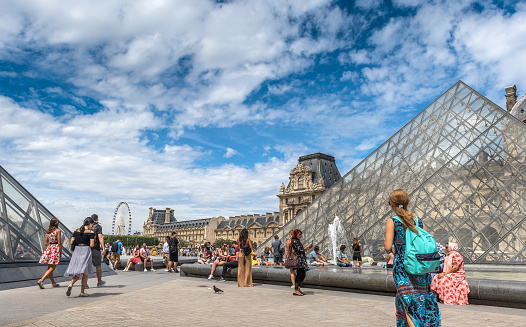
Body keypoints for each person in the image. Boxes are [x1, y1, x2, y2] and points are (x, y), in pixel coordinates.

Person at [384, 189, 441, 326]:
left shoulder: (393, 221)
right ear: (406, 202)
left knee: (406, 299)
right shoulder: (419, 221)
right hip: (420, 265)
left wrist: (395, 250)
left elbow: (387, 247)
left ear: (392, 204)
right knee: (421, 298)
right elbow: (425, 244)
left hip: (403, 267)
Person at [64, 217, 96, 297]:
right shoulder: (91, 232)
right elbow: (91, 245)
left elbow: (71, 242)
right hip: (85, 250)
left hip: (77, 251)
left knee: (77, 271)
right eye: (92, 224)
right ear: (90, 224)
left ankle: (71, 284)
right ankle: (82, 292)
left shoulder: (76, 231)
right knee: (85, 272)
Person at [37, 217, 62, 288]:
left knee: (49, 267)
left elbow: (45, 243)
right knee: (52, 268)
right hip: (55, 248)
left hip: (49, 249)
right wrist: (60, 251)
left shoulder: (48, 231)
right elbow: (59, 243)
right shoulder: (58, 231)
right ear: (57, 223)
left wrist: (50, 248)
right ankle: (41, 280)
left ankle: (53, 283)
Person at [289, 229, 313, 296]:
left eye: (301, 234)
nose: (300, 236)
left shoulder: (298, 241)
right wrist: (308, 247)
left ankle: (298, 288)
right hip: (299, 260)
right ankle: (296, 290)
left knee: (303, 274)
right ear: (296, 234)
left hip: (302, 259)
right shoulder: (294, 241)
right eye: (299, 234)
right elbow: (300, 250)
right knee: (299, 274)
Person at [88, 214, 106, 288]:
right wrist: (103, 248)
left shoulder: (86, 226)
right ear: (97, 219)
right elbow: (100, 237)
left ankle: (85, 283)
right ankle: (99, 282)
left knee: (85, 266)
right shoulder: (98, 227)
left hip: (87, 248)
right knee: (98, 266)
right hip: (95, 248)